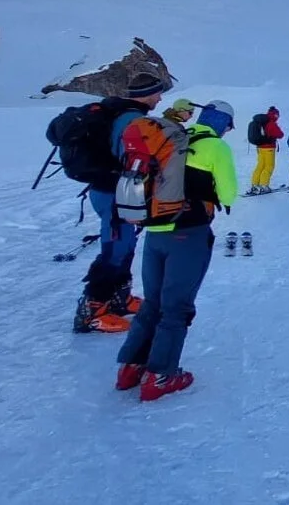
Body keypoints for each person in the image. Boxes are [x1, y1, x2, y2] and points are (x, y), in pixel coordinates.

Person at [113, 100, 238, 401]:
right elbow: (229, 192)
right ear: (222, 123)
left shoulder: (173, 136)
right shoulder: (214, 147)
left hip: (155, 231)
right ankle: (160, 375)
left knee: (152, 302)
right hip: (188, 233)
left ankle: (131, 367)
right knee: (176, 307)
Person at [73, 71, 169, 335]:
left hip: (115, 191)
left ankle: (119, 299)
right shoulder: (132, 120)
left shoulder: (125, 115)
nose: (160, 98)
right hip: (115, 192)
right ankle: (92, 311)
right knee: (115, 249)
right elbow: (129, 158)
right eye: (158, 93)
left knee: (125, 244)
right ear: (147, 94)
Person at [247, 106, 284, 194]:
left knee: (260, 166)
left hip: (260, 147)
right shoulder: (271, 123)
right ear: (275, 115)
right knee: (269, 166)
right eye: (277, 115)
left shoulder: (261, 121)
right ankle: (264, 185)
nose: (278, 117)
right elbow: (280, 134)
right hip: (269, 148)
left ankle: (254, 185)